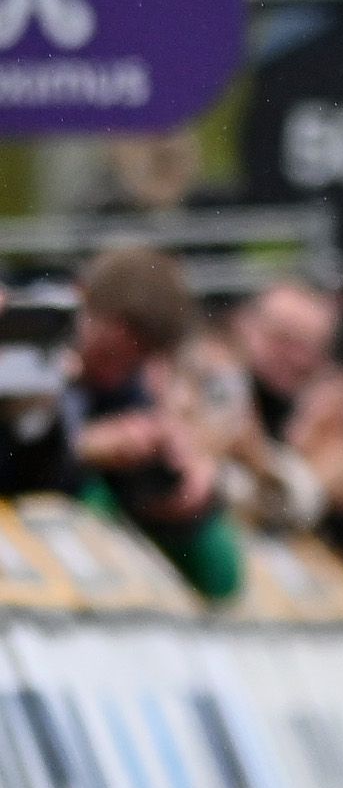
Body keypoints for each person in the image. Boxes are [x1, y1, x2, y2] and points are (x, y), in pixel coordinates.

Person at [66, 244, 240, 603]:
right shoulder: (24, 367)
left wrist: (188, 506)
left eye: (130, 364)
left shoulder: (128, 399)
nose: (112, 375)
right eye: (107, 353)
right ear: (79, 300)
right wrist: (80, 448)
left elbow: (223, 580)